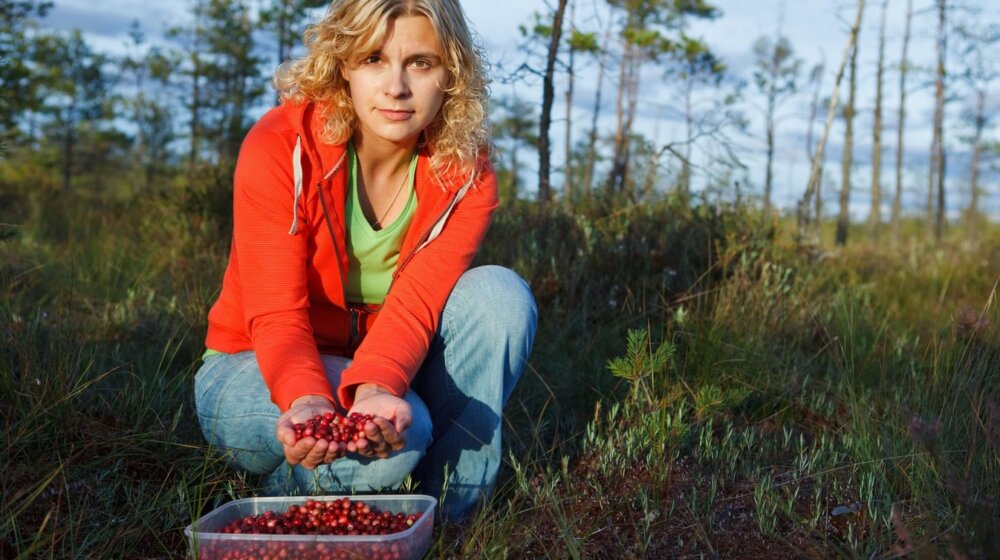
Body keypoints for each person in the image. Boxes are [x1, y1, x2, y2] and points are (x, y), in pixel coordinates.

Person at [193, 0, 537, 521]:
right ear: (343, 64)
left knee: (500, 296)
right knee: (399, 440)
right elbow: (276, 316)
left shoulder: (468, 174)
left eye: (420, 62)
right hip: (254, 369)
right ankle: (270, 505)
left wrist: (376, 389)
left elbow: (417, 306)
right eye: (374, 58)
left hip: (383, 371)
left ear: (451, 73)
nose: (396, 86)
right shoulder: (280, 146)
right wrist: (308, 400)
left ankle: (446, 517)